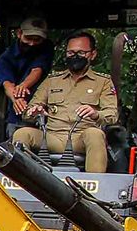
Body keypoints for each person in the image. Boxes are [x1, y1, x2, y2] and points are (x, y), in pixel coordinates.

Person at [12, 32, 117, 173]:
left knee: (95, 134)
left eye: (81, 52)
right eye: (71, 52)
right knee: (22, 134)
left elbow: (112, 115)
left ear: (92, 54)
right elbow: (28, 112)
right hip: (51, 137)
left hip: (82, 137)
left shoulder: (103, 82)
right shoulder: (52, 81)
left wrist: (95, 114)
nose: (75, 56)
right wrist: (35, 112)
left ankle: (94, 185)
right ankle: (22, 182)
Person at [0, 18, 53, 138]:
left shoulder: (46, 48)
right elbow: (7, 84)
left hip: (43, 112)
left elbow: (37, 71)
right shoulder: (4, 59)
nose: (32, 43)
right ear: (19, 33)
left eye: (37, 40)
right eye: (28, 38)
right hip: (16, 114)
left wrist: (23, 86)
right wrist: (16, 99)